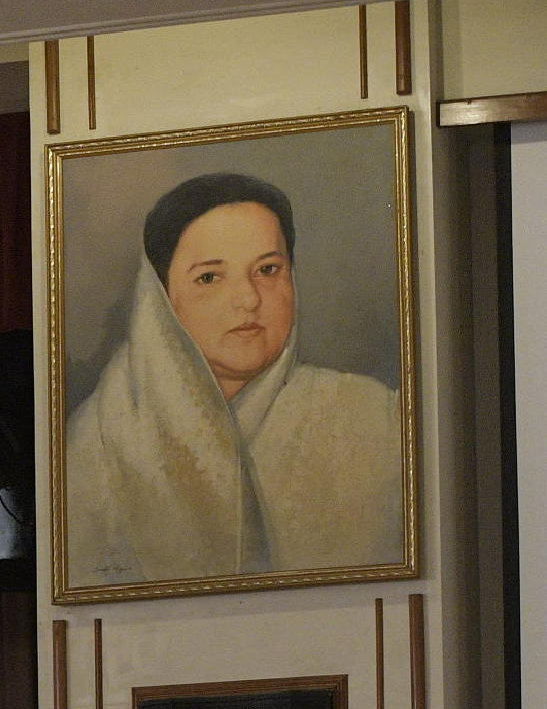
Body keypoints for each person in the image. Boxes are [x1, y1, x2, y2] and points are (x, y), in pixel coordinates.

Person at [64, 170, 403, 589]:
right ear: (159, 298)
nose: (248, 299)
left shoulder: (375, 418)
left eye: (268, 269)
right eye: (209, 277)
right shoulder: (97, 440)